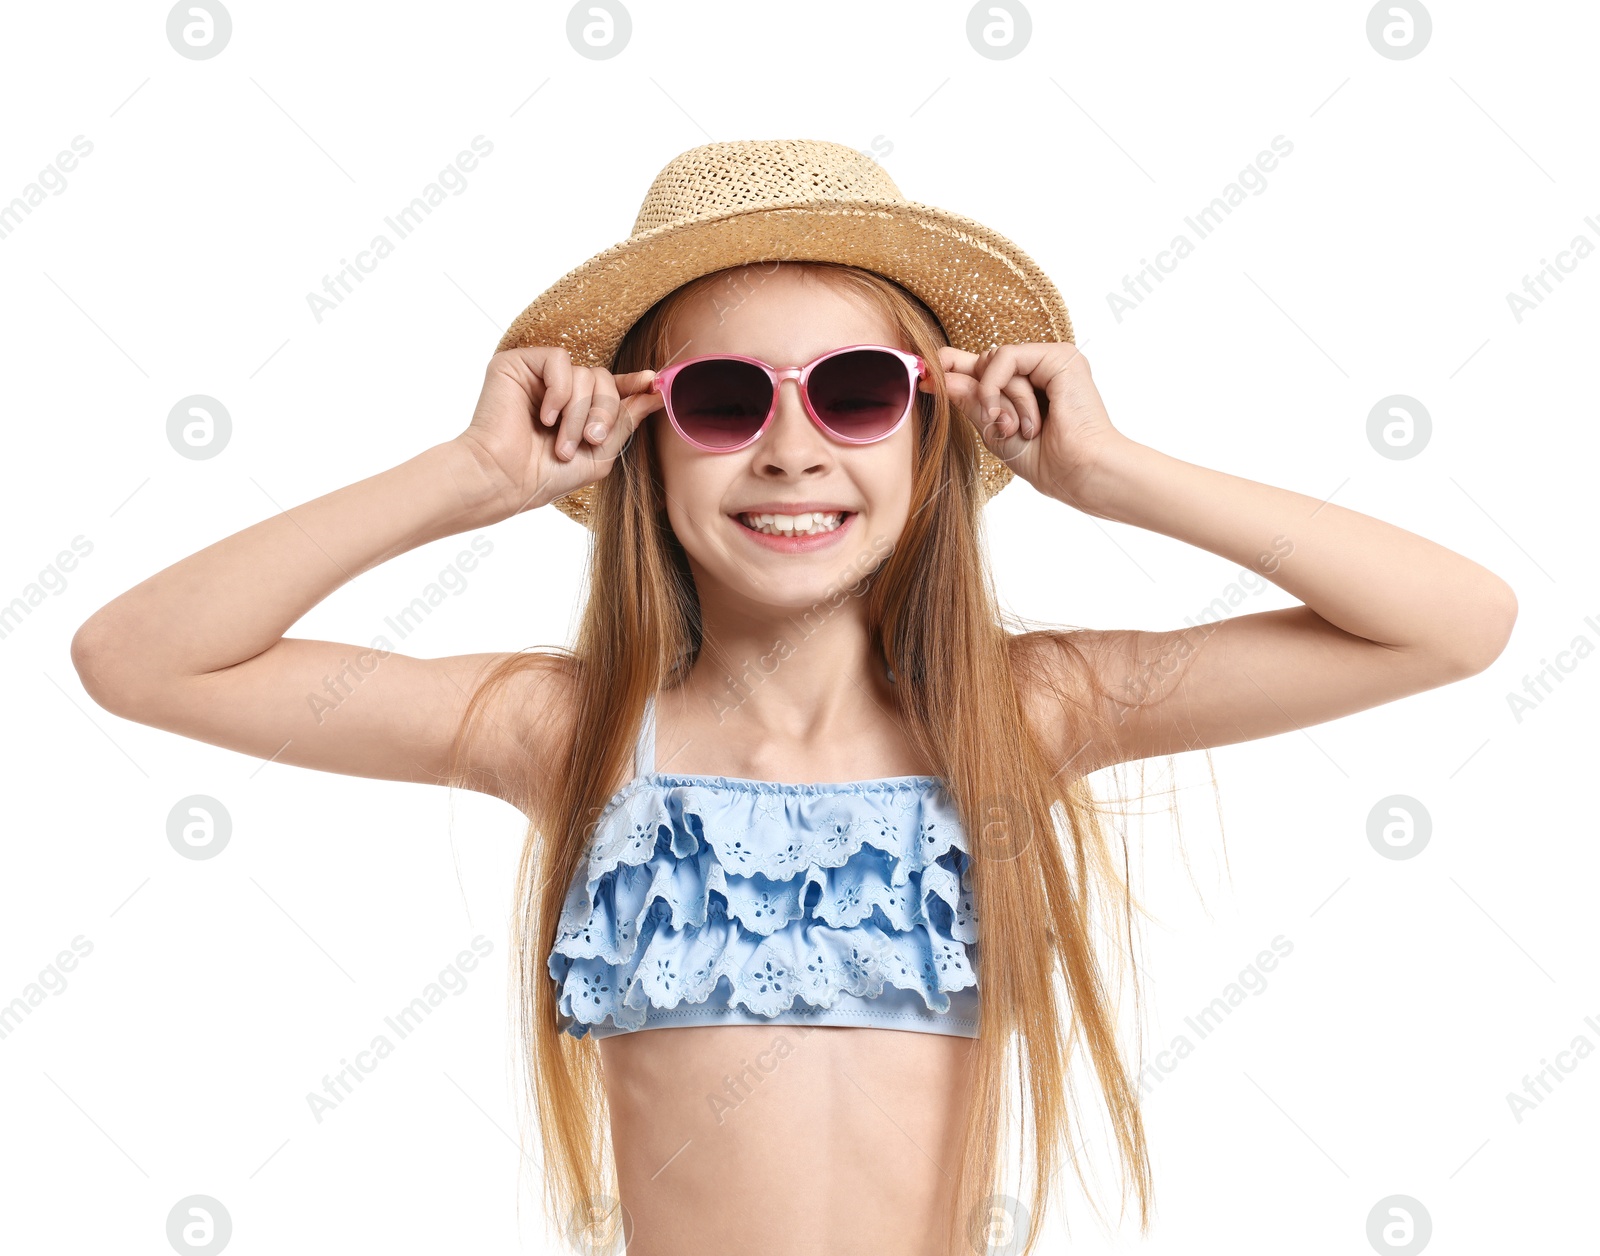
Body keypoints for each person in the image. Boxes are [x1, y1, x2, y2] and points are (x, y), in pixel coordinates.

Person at [71, 140, 1517, 1256]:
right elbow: (140, 660)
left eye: (855, 392)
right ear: (643, 443)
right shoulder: (573, 737)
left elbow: (1453, 625)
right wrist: (466, 483)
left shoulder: (1022, 716)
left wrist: (1115, 474)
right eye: (719, 401)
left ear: (931, 433)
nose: (787, 448)